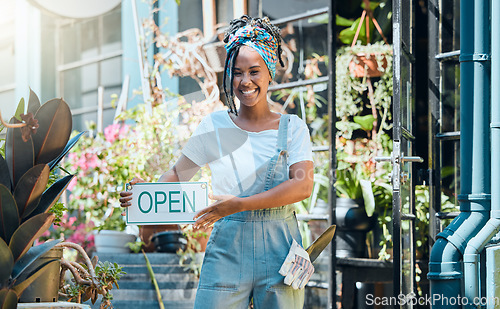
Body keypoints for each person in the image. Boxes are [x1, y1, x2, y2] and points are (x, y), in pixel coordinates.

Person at [119, 15, 315, 308]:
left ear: (270, 73)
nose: (245, 81)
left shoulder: (293, 127)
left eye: (254, 71)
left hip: (280, 250)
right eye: (236, 73)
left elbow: (302, 186)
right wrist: (146, 193)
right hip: (227, 247)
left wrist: (239, 204)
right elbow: (178, 173)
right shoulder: (215, 125)